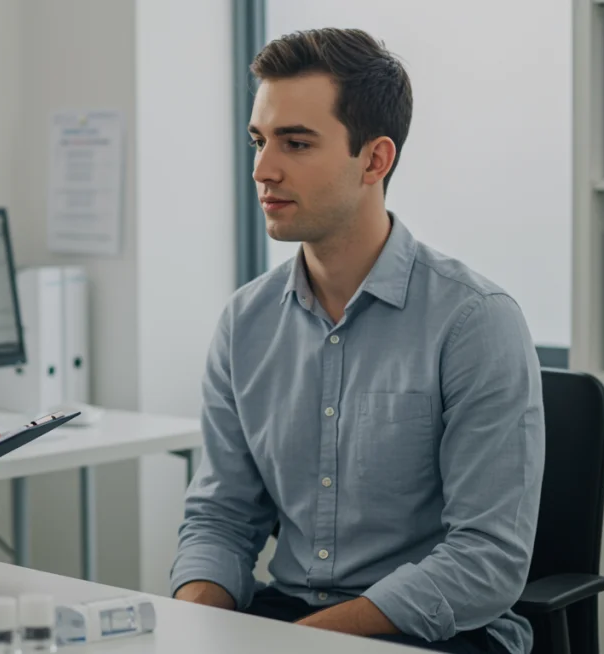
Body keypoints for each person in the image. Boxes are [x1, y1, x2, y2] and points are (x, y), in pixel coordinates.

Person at [170, 28, 544, 654]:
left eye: (296, 143)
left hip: (435, 632)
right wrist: (191, 629)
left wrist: (293, 645)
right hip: (290, 619)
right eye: (259, 141)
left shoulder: (475, 321)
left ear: (374, 161)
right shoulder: (245, 322)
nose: (262, 169)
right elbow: (221, 518)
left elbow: (486, 559)